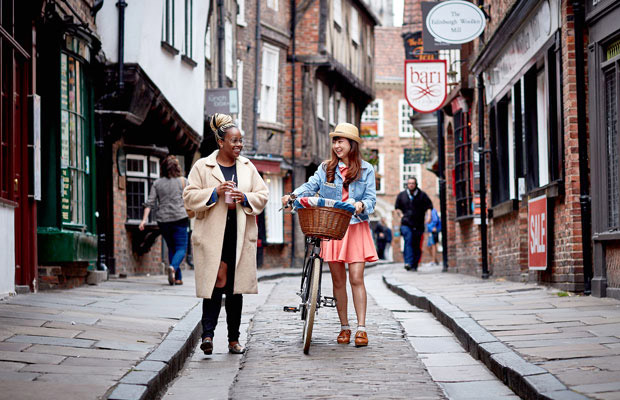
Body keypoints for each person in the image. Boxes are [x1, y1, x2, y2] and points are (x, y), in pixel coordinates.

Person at [281, 122, 377, 347]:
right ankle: (344, 326)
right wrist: (291, 195)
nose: (336, 145)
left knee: (356, 278)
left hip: (355, 227)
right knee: (338, 279)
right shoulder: (326, 168)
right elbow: (310, 185)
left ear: (352, 144)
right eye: (335, 141)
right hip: (333, 227)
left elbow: (372, 199)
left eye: (340, 141)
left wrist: (362, 204)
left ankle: (361, 328)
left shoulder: (366, 169)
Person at [183, 113, 269, 355]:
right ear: (221, 142)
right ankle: (208, 335)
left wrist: (246, 197)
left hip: (239, 236)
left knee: (235, 288)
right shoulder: (203, 166)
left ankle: (233, 340)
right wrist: (214, 192)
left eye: (241, 140)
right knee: (215, 283)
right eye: (234, 141)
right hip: (212, 236)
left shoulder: (247, 167)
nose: (239, 145)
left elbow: (262, 195)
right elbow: (188, 197)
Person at [139, 155, 189, 286]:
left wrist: (144, 220)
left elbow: (150, 203)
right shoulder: (183, 181)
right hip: (180, 217)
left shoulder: (157, 183)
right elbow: (190, 199)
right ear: (177, 167)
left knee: (171, 247)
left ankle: (177, 278)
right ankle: (173, 267)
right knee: (181, 248)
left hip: (163, 220)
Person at [394, 177, 432, 271]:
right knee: (408, 240)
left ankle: (414, 264)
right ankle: (408, 262)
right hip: (406, 223)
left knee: (416, 244)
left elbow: (429, 207)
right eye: (409, 183)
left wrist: (429, 216)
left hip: (418, 224)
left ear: (416, 184)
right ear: (407, 185)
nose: (411, 185)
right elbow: (397, 208)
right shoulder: (402, 195)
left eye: (413, 183)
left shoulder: (422, 195)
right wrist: (400, 215)